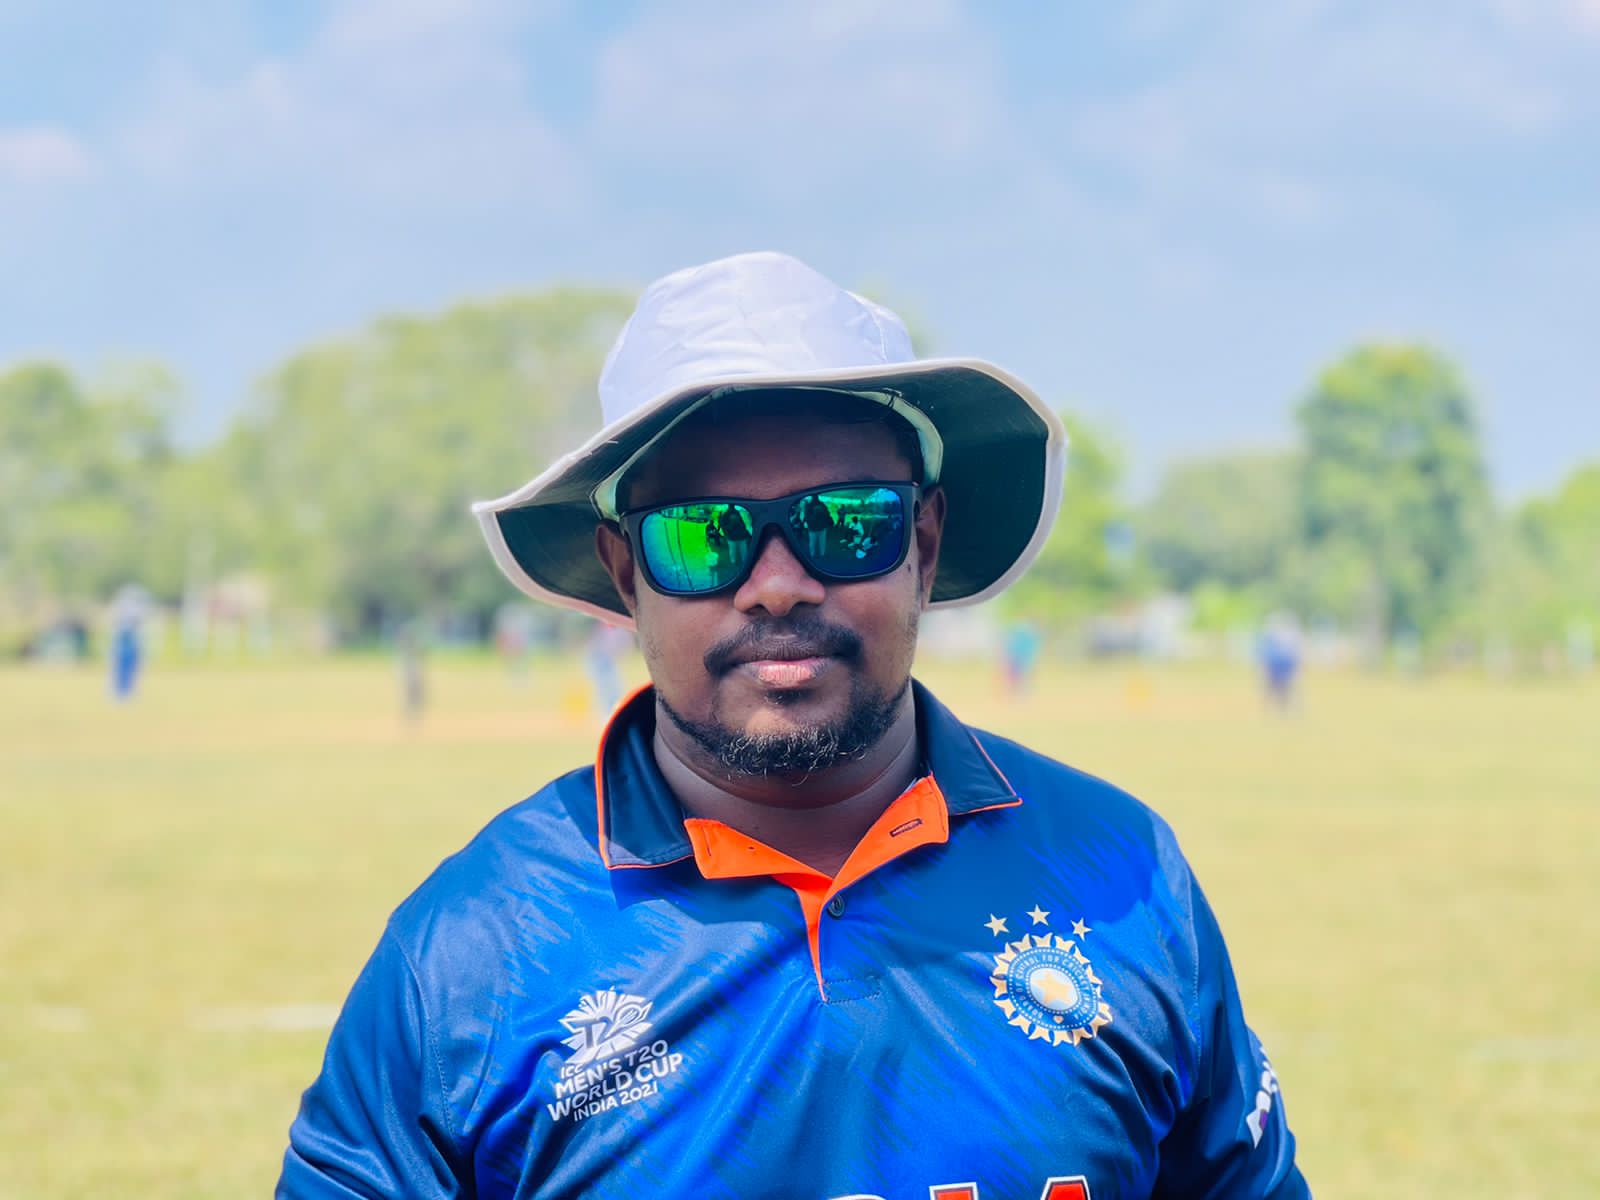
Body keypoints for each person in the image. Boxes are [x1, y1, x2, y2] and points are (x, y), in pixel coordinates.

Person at [279, 252, 1309, 1198]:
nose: (776, 584)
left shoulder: (1117, 871)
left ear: (924, 541)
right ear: (623, 572)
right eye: (702, 535)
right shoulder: (472, 950)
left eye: (845, 520)